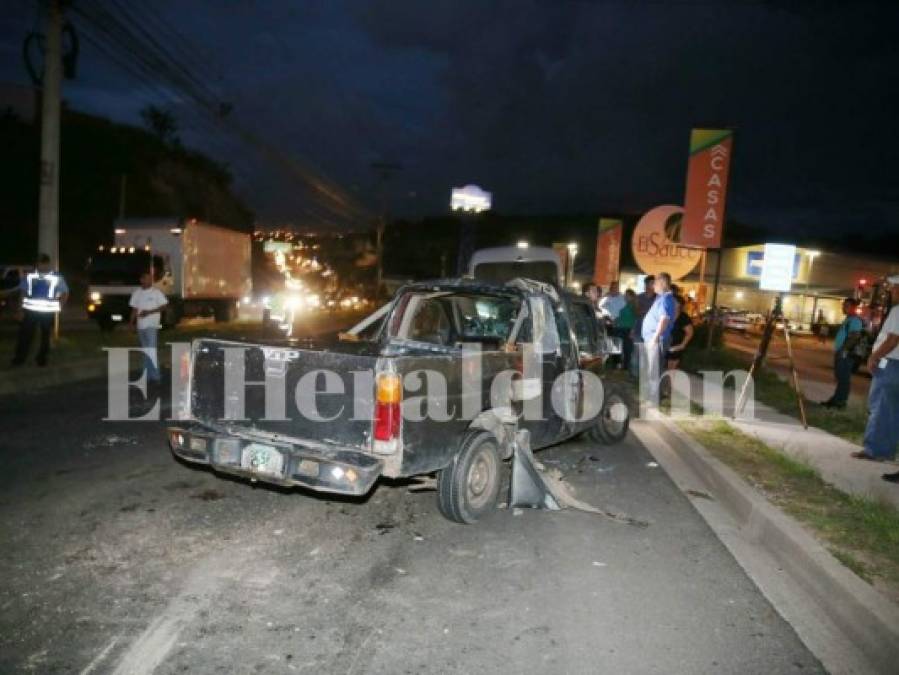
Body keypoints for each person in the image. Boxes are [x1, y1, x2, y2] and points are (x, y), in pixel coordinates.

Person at [852, 276, 899, 481]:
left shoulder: (898, 311)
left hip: (890, 364)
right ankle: (884, 449)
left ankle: (875, 449)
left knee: (880, 407)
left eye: (895, 287)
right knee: (891, 411)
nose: (892, 291)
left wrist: (874, 356)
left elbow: (893, 339)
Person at [9, 254, 69, 367]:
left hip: (47, 312)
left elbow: (65, 293)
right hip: (30, 311)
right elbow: (23, 292)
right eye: (39, 264)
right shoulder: (30, 276)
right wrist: (19, 310)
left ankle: (41, 359)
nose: (41, 266)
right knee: (25, 335)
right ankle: (19, 359)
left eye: (43, 264)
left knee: (45, 337)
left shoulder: (56, 277)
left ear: (47, 264)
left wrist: (59, 306)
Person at [821, 297, 863, 409]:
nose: (843, 307)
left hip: (846, 354)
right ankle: (836, 399)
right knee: (840, 378)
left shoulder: (855, 320)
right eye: (843, 305)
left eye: (846, 306)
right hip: (842, 352)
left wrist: (844, 351)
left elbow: (854, 337)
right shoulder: (848, 319)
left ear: (854, 307)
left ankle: (840, 402)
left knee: (844, 378)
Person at [640, 272, 676, 404]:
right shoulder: (662, 298)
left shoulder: (665, 299)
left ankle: (653, 398)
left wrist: (655, 338)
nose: (652, 286)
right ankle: (655, 395)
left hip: (657, 340)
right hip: (654, 338)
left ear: (662, 283)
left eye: (654, 283)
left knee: (654, 369)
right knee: (654, 368)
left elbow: (664, 319)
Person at [129, 272, 168, 384]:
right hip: (140, 326)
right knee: (146, 351)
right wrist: (131, 324)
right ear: (141, 280)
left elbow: (164, 307)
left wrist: (149, 312)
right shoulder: (137, 293)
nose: (150, 281)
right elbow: (134, 310)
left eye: (151, 279)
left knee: (151, 350)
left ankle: (155, 376)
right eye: (147, 279)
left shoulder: (156, 293)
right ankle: (148, 375)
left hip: (152, 325)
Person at [666, 295, 694, 369]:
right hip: (667, 344)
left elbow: (690, 333)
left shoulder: (683, 317)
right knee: (668, 366)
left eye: (674, 302)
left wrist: (682, 345)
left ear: (680, 305)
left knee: (672, 367)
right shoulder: (669, 314)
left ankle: (670, 380)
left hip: (677, 346)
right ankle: (667, 379)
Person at [616, 289, 637, 372]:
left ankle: (626, 367)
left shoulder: (633, 305)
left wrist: (633, 330)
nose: (625, 296)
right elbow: (623, 317)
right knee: (623, 348)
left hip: (628, 329)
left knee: (627, 349)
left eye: (627, 295)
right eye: (625, 295)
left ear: (631, 296)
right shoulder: (627, 305)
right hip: (621, 328)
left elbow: (636, 319)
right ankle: (624, 365)